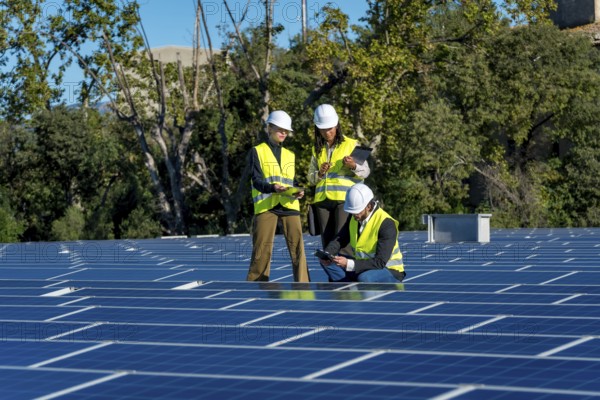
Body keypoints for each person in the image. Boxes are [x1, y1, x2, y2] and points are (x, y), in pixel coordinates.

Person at [246, 110, 310, 283]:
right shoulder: (257, 151)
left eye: (286, 130)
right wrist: (273, 188)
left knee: (298, 251)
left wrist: (298, 190)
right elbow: (256, 181)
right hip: (267, 206)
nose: (283, 133)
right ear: (269, 128)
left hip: (289, 205)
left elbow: (292, 180)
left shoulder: (290, 155)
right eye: (280, 129)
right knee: (261, 251)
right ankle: (254, 289)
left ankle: (304, 287)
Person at [308, 104, 370, 255]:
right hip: (323, 202)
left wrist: (353, 165)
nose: (327, 132)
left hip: (345, 200)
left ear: (336, 125)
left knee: (343, 242)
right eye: (323, 129)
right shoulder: (317, 149)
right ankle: (334, 278)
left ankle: (347, 277)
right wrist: (320, 173)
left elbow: (366, 172)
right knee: (327, 244)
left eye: (330, 128)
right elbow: (310, 178)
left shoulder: (351, 144)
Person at [319, 183, 406, 283]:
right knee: (329, 264)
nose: (354, 214)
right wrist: (328, 254)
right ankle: (348, 288)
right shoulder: (354, 217)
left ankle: (354, 285)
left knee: (365, 278)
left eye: (356, 211)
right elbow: (340, 238)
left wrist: (349, 264)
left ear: (368, 206)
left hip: (388, 270)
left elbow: (380, 262)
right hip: (363, 266)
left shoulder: (386, 224)